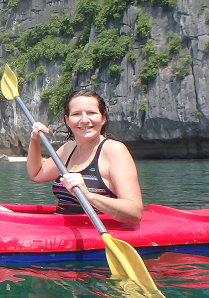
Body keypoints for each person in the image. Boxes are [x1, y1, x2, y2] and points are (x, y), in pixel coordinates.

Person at [26, 89, 143, 224]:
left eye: (91, 113)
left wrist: (88, 196)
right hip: (60, 229)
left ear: (103, 117)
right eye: (76, 114)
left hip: (96, 231)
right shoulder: (69, 148)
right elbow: (37, 174)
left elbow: (134, 213)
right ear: (67, 120)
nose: (84, 120)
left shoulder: (114, 150)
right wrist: (35, 140)